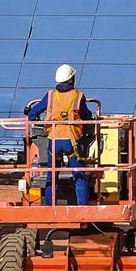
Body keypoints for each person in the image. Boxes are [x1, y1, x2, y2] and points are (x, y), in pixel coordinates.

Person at [26, 64, 92, 206]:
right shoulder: (78, 96)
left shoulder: (50, 95)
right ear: (72, 79)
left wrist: (34, 118)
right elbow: (86, 116)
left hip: (54, 141)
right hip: (72, 142)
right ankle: (82, 208)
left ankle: (50, 208)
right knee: (79, 175)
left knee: (52, 176)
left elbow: (32, 113)